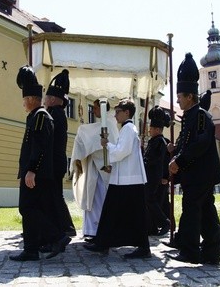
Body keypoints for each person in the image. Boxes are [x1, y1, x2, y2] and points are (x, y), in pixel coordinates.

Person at [167, 53, 220, 265]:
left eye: (180, 96)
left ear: (190, 96)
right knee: (207, 212)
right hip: (197, 174)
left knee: (192, 211)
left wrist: (178, 161)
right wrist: (176, 148)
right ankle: (211, 252)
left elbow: (200, 143)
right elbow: (189, 141)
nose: (178, 100)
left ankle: (189, 251)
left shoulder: (200, 115)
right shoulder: (191, 116)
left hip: (200, 174)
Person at [10, 65, 70, 261]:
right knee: (32, 209)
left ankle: (56, 236)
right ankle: (31, 249)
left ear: (30, 100)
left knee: (27, 208)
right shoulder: (37, 116)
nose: (23, 104)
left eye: (24, 101)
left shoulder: (40, 116)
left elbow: (39, 147)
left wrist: (31, 170)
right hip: (36, 172)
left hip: (36, 173)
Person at [83, 98, 151, 259]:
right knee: (111, 212)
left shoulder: (129, 128)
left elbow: (122, 151)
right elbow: (124, 155)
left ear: (127, 112)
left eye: (118, 112)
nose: (115, 115)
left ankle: (140, 247)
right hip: (123, 178)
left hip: (129, 180)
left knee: (130, 214)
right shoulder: (127, 129)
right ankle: (103, 242)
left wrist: (107, 144)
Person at [71, 98, 119, 239]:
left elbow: (89, 137)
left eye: (96, 108)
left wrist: (82, 130)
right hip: (97, 168)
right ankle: (92, 231)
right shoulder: (107, 123)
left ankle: (98, 232)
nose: (94, 110)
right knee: (94, 200)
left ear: (103, 108)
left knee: (98, 200)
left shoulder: (108, 123)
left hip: (103, 170)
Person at [44, 69, 76, 238]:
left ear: (53, 99)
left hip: (54, 162)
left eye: (47, 97)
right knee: (56, 195)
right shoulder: (58, 113)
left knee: (55, 195)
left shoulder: (54, 114)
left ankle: (65, 227)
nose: (44, 100)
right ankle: (64, 226)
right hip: (57, 161)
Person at [144, 105, 172, 236]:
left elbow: (160, 160)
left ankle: (165, 222)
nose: (149, 131)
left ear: (157, 129)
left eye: (151, 129)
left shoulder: (160, 141)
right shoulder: (154, 141)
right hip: (151, 175)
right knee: (151, 200)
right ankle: (151, 227)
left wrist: (166, 176)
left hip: (156, 175)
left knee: (153, 200)